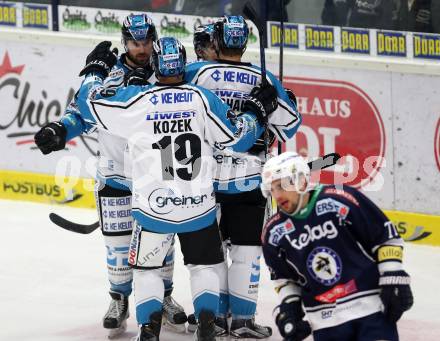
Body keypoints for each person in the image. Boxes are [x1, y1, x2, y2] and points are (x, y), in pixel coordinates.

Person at [66, 36, 278, 340]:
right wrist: (257, 111)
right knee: (203, 265)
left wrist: (96, 71)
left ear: (155, 65)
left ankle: (149, 329)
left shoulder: (137, 100)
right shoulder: (202, 99)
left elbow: (88, 104)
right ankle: (207, 323)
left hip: (154, 206)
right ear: (184, 65)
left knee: (147, 270)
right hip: (199, 206)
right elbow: (240, 138)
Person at [33, 14, 187, 337]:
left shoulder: (167, 70)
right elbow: (82, 113)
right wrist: (60, 129)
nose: (142, 48)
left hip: (159, 175)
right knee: (117, 248)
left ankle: (166, 297)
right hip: (116, 173)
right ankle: (119, 300)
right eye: (135, 42)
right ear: (125, 41)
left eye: (146, 41)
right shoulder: (109, 73)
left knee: (162, 245)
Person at [184, 15, 301, 339]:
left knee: (212, 252)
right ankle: (243, 321)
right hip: (249, 178)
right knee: (246, 252)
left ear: (216, 42)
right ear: (245, 44)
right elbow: (290, 125)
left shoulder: (196, 73)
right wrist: (282, 98)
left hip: (204, 178)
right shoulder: (264, 78)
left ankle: (214, 317)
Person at [260, 152, 414, 341]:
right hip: (326, 321)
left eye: (282, 185)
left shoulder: (340, 199)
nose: (277, 194)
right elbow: (283, 278)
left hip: (370, 308)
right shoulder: (274, 233)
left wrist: (392, 274)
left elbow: (383, 236)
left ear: (301, 181)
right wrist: (289, 306)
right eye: (271, 189)